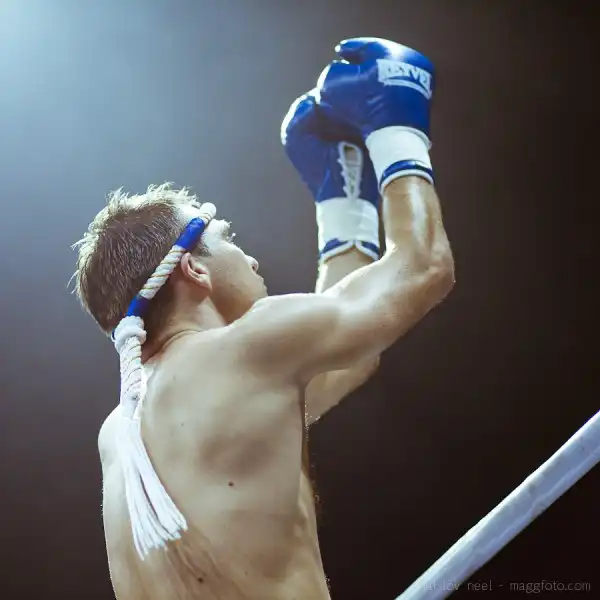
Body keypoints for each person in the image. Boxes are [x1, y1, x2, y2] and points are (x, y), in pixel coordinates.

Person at [73, 37, 454, 600]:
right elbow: (423, 268)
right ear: (193, 269)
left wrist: (342, 202)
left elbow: (348, 360)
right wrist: (396, 127)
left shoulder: (120, 434)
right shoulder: (248, 351)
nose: (249, 258)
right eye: (229, 238)